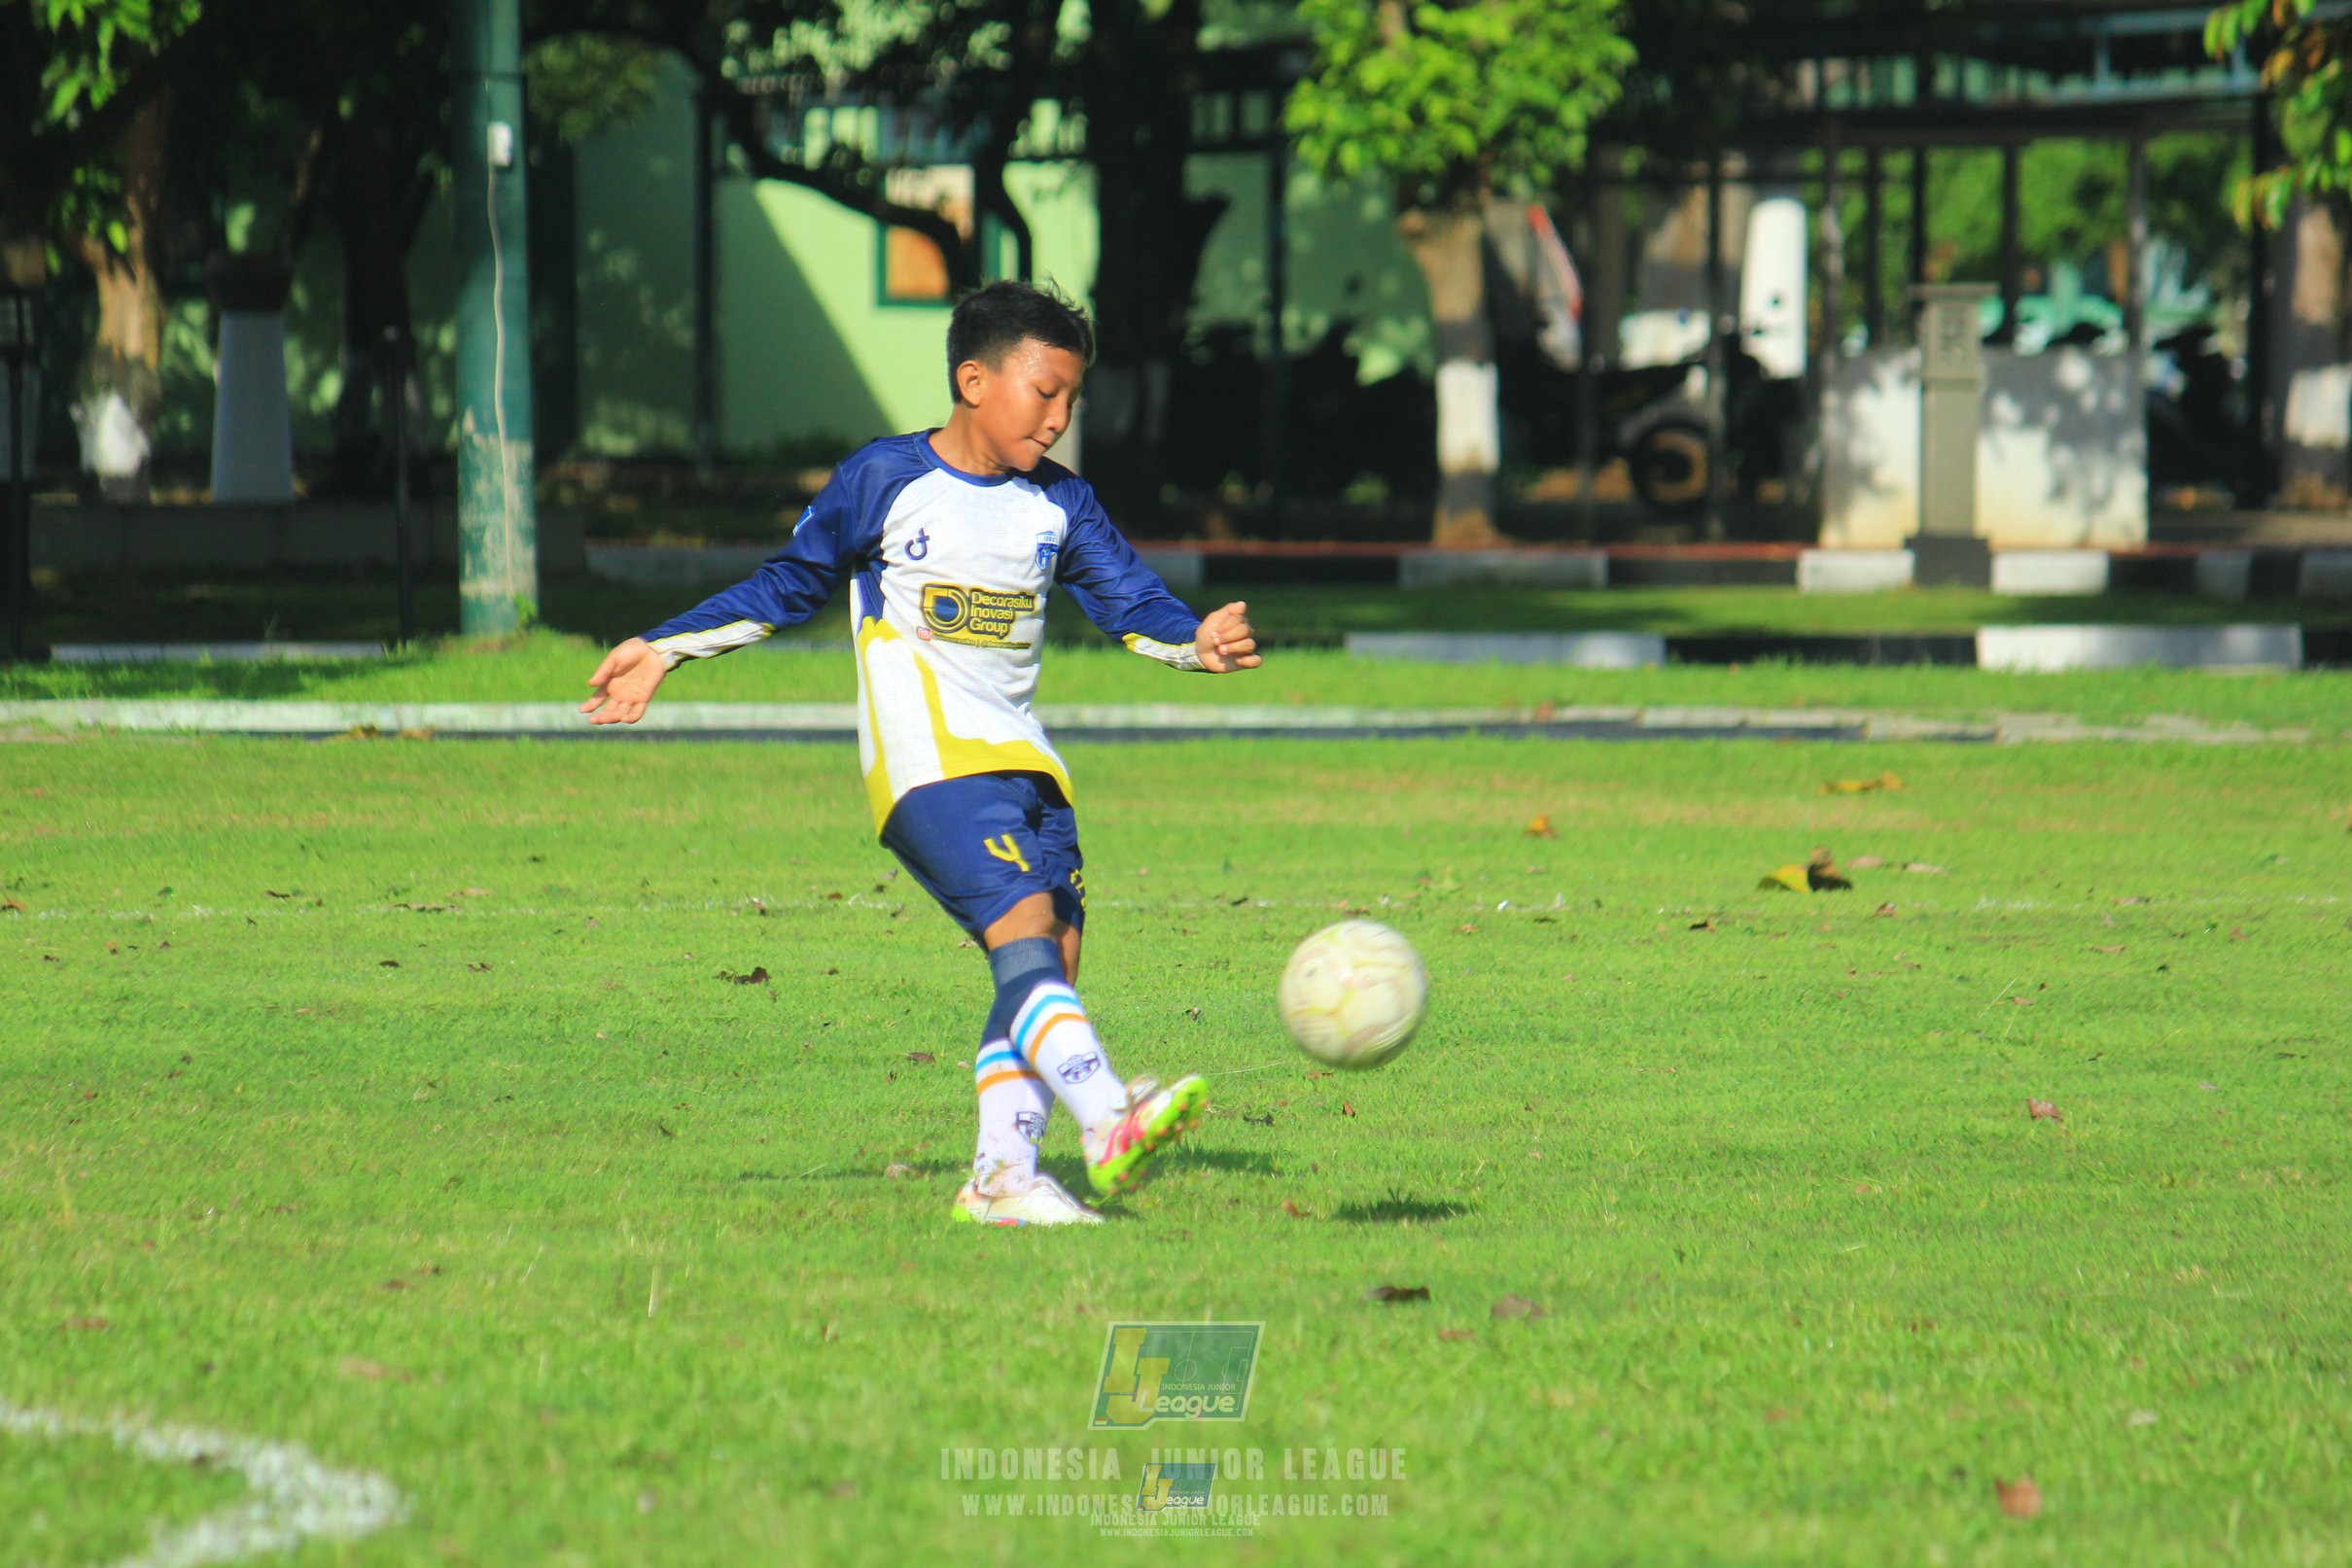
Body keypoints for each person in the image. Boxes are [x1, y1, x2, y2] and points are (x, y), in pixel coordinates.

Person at [579, 281, 1262, 1227]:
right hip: (930, 764)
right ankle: (1109, 1114)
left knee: (1048, 962)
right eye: (1044, 392)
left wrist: (1196, 639)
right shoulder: (884, 479)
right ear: (973, 381)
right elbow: (788, 583)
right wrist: (665, 647)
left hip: (1028, 767)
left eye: (1070, 399)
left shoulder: (1060, 502)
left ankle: (1002, 1181)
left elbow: (1129, 601)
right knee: (1023, 931)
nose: (1058, 418)